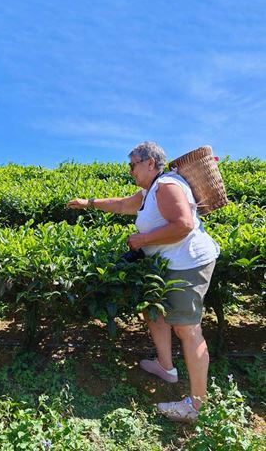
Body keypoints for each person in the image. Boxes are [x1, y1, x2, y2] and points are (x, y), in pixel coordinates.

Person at [67, 141, 219, 423]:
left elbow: (184, 225)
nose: (130, 170)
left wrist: (142, 240)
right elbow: (123, 204)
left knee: (188, 330)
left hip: (187, 265)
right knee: (155, 314)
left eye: (133, 164)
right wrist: (88, 203)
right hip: (167, 264)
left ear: (151, 163)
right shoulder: (150, 190)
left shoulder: (167, 186)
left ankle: (196, 407)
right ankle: (166, 367)